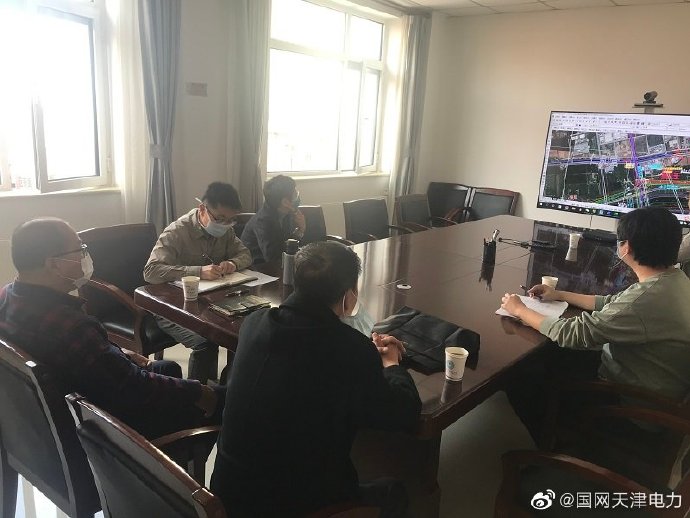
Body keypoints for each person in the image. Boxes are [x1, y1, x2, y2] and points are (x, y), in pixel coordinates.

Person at [211, 241, 421, 517]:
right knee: (394, 491)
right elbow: (403, 413)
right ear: (349, 297)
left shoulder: (254, 323)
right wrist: (391, 363)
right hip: (291, 505)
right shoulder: (351, 349)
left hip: (226, 495)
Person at [0, 218, 221, 440]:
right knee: (222, 400)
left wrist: (121, 352)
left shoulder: (7, 296)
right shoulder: (72, 327)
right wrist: (200, 392)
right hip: (110, 427)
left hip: (67, 402)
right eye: (79, 249)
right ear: (53, 264)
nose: (85, 256)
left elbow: (91, 355)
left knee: (169, 368)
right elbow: (134, 386)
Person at [500, 207, 690, 441]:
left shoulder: (645, 298)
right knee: (549, 357)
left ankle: (550, 440)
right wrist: (560, 294)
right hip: (653, 387)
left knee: (521, 374)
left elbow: (573, 333)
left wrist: (519, 310)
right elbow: (612, 302)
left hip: (633, 405)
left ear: (626, 247)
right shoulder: (673, 279)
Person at [144, 182, 252, 383]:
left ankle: (226, 388)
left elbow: (245, 254)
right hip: (171, 304)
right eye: (219, 218)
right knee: (206, 342)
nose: (224, 224)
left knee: (243, 333)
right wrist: (198, 272)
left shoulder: (226, 230)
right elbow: (151, 272)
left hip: (209, 302)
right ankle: (197, 396)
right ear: (202, 209)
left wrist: (232, 263)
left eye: (230, 220)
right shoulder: (177, 232)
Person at [241, 174, 306, 264]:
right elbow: (273, 257)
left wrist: (300, 230)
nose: (297, 195)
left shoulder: (287, 213)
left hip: (279, 264)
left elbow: (287, 246)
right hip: (258, 266)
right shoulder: (263, 221)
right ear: (285, 202)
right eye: (295, 193)